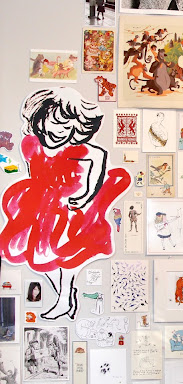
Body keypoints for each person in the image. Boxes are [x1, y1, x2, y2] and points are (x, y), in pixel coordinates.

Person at [0, 87, 130, 320]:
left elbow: (97, 167)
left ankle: (64, 297)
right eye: (52, 125)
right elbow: (34, 174)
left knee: (67, 254)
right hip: (42, 209)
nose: (58, 132)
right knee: (35, 255)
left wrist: (85, 197)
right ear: (39, 122)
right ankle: (65, 294)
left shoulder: (85, 150)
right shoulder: (31, 145)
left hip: (71, 210)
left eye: (66, 126)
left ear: (78, 126)